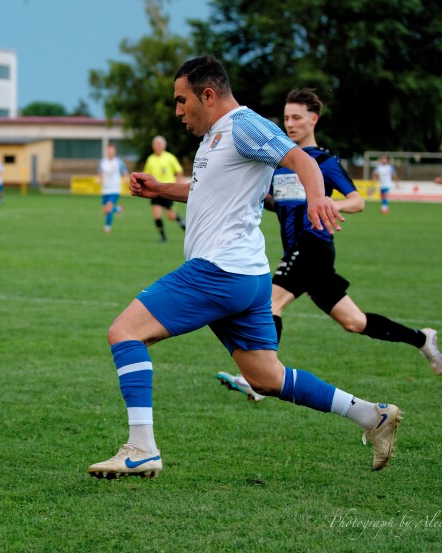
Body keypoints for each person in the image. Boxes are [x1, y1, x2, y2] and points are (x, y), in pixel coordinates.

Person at [86, 55, 402, 480]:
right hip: (247, 276)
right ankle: (371, 416)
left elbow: (303, 161)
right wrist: (161, 188)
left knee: (124, 332)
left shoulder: (244, 125)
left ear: (208, 94)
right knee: (266, 378)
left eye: (182, 101)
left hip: (219, 270)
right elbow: (208, 192)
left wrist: (316, 199)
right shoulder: (217, 136)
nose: (178, 111)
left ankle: (141, 448)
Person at [216, 88, 442, 404]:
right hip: (297, 251)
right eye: (286, 118)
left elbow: (358, 200)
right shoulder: (279, 164)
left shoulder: (324, 161)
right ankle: (422, 338)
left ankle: (259, 381)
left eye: (297, 117)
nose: (290, 124)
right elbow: (278, 204)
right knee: (354, 322)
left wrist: (329, 205)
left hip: (314, 246)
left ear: (314, 119)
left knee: (271, 304)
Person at [141, 136, 186, 242]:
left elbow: (179, 171)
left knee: (171, 215)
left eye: (160, 144)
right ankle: (163, 237)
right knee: (156, 214)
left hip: (168, 190)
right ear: (153, 146)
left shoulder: (170, 157)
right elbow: (146, 173)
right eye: (156, 144)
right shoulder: (150, 159)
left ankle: (186, 229)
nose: (158, 146)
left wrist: (178, 183)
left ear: (164, 146)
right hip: (155, 192)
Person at [97, 143, 127, 233]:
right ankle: (118, 209)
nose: (110, 151)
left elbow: (125, 172)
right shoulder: (102, 162)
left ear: (115, 151)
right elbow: (100, 173)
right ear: (106, 151)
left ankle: (107, 228)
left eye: (112, 150)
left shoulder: (119, 162)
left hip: (115, 189)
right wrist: (98, 179)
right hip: (105, 189)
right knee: (104, 210)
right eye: (109, 150)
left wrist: (125, 179)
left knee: (108, 208)